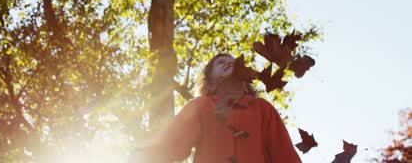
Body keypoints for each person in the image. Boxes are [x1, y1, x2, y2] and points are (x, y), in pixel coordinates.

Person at [129, 53, 302, 163]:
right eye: (221, 62)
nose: (230, 63)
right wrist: (143, 155)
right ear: (210, 83)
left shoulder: (262, 109)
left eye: (234, 62)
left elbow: (284, 154)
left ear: (245, 85)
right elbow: (171, 141)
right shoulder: (201, 106)